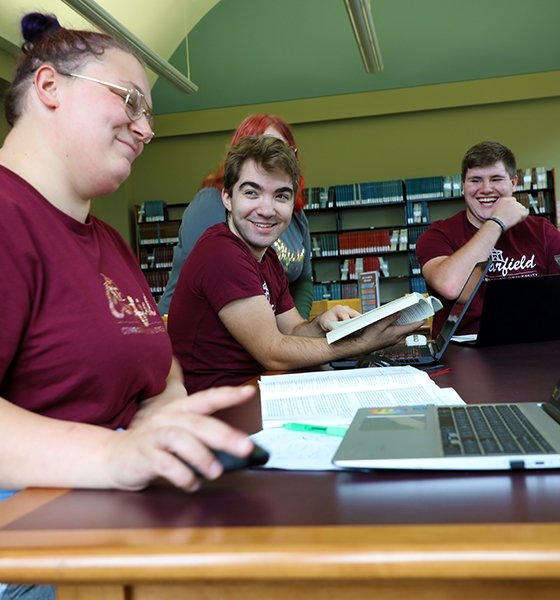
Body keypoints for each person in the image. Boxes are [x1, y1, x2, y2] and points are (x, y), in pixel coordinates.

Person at [0, 13, 257, 507]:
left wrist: (165, 414)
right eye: (132, 101)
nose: (145, 130)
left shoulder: (111, 243)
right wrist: (116, 455)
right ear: (50, 86)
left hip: (125, 506)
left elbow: (160, 365)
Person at [167, 136, 422, 393]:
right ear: (227, 198)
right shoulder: (221, 252)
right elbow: (273, 351)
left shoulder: (269, 257)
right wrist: (362, 344)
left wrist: (322, 323)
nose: (267, 209)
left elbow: (292, 331)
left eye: (281, 196)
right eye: (252, 193)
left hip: (257, 390)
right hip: (216, 410)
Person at [158, 114, 313, 318]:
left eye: (282, 149)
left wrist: (296, 326)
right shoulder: (210, 204)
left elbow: (303, 280)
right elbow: (220, 279)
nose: (266, 211)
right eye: (251, 192)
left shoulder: (294, 217)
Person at [416, 141, 560, 336]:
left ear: (514, 183)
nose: (485, 189)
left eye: (496, 179)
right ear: (463, 186)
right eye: (475, 180)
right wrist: (496, 222)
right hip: (462, 352)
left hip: (533, 344)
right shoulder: (438, 235)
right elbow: (452, 288)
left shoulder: (542, 231)